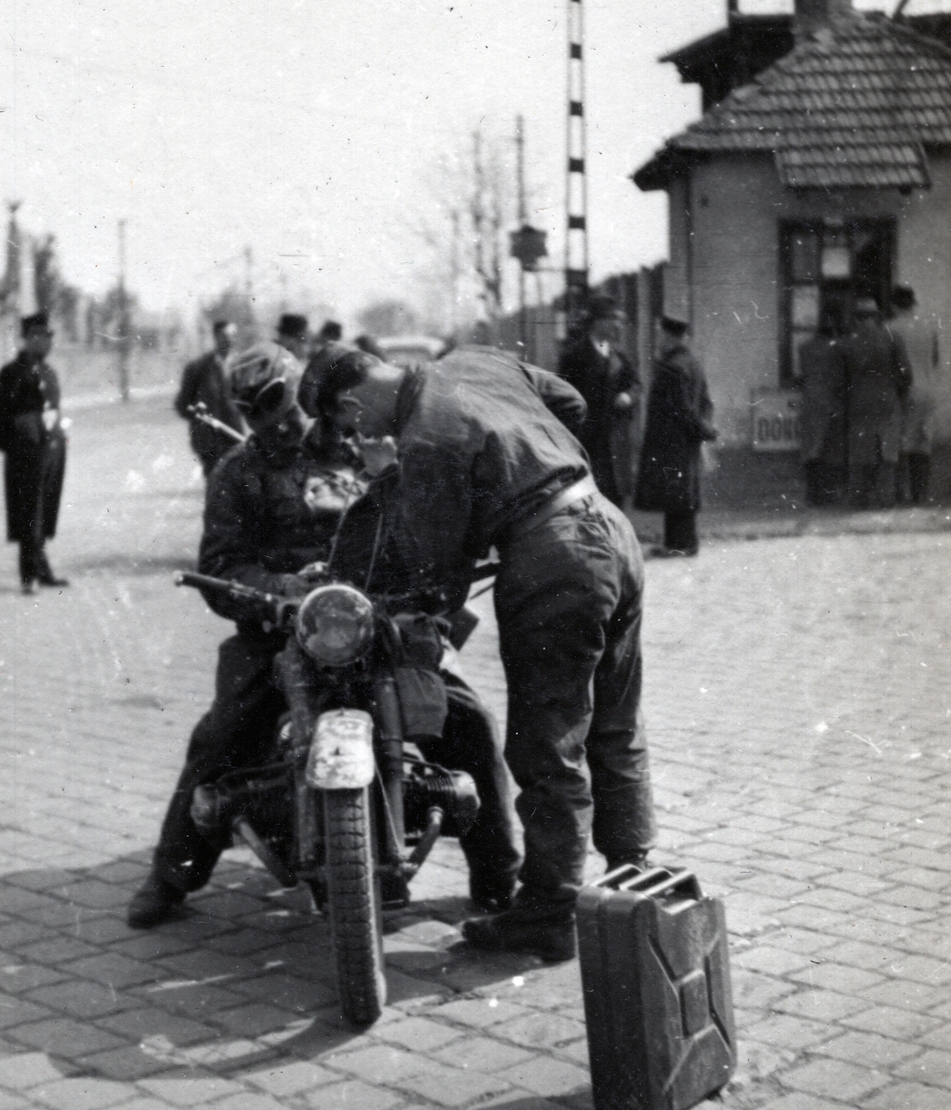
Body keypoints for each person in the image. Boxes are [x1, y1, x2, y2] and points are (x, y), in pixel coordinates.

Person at [127, 343, 519, 930]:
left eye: (281, 401)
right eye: (257, 409)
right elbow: (222, 565)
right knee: (220, 735)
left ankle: (498, 875)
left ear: (304, 392)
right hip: (282, 630)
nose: (277, 419)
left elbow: (420, 527)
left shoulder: (367, 449)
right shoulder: (239, 471)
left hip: (379, 620)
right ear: (241, 411)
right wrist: (281, 590)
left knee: (467, 720)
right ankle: (172, 873)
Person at [313, 345, 654, 964]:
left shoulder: (425, 441)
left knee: (547, 743)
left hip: (551, 558)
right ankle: (636, 872)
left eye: (351, 425)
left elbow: (440, 567)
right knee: (616, 720)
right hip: (609, 525)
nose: (362, 436)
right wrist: (533, 463)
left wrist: (414, 604)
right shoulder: (476, 360)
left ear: (352, 402)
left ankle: (551, 913)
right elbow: (570, 402)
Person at [0, 311, 69, 594]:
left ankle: (42, 569)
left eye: (48, 337)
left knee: (45, 510)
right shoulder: (11, 374)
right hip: (25, 454)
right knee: (28, 513)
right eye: (42, 337)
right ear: (29, 339)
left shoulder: (50, 373)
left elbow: (54, 412)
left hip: (51, 452)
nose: (47, 343)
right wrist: (15, 448)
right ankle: (28, 575)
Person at [634, 314, 717, 556]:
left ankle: (680, 544)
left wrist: (701, 430)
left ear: (670, 337)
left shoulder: (672, 368)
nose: (658, 339)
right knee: (682, 490)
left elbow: (682, 409)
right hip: (688, 438)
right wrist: (704, 429)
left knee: (676, 492)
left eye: (660, 334)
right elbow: (705, 403)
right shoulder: (693, 364)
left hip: (670, 439)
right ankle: (680, 543)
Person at [558, 293, 640, 508]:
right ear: (598, 322)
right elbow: (561, 396)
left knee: (616, 497)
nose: (616, 325)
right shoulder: (573, 356)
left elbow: (636, 385)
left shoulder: (620, 356)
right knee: (589, 498)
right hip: (587, 440)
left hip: (616, 439)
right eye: (611, 319)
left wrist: (628, 396)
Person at [844, 294, 912, 509]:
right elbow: (906, 373)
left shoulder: (848, 341)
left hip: (859, 402)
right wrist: (897, 390)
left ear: (856, 317)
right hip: (887, 399)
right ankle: (886, 499)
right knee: (887, 453)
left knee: (860, 453)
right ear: (877, 316)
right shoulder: (892, 337)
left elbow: (841, 378)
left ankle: (859, 500)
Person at [174, 319, 246, 477]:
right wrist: (197, 412)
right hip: (210, 442)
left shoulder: (241, 367)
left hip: (234, 437)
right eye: (225, 336)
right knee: (216, 488)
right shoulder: (198, 368)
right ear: (215, 337)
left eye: (233, 336)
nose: (229, 340)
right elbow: (181, 405)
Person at [798, 311, 847, 507]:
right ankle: (828, 494)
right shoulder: (837, 348)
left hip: (810, 399)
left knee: (811, 447)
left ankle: (812, 494)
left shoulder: (805, 347)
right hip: (831, 400)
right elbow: (840, 378)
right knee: (830, 449)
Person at [890, 287, 934, 505]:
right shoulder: (928, 326)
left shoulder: (892, 328)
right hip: (927, 388)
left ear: (894, 305)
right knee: (922, 441)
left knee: (901, 442)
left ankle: (900, 493)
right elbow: (934, 358)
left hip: (905, 390)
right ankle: (920, 495)